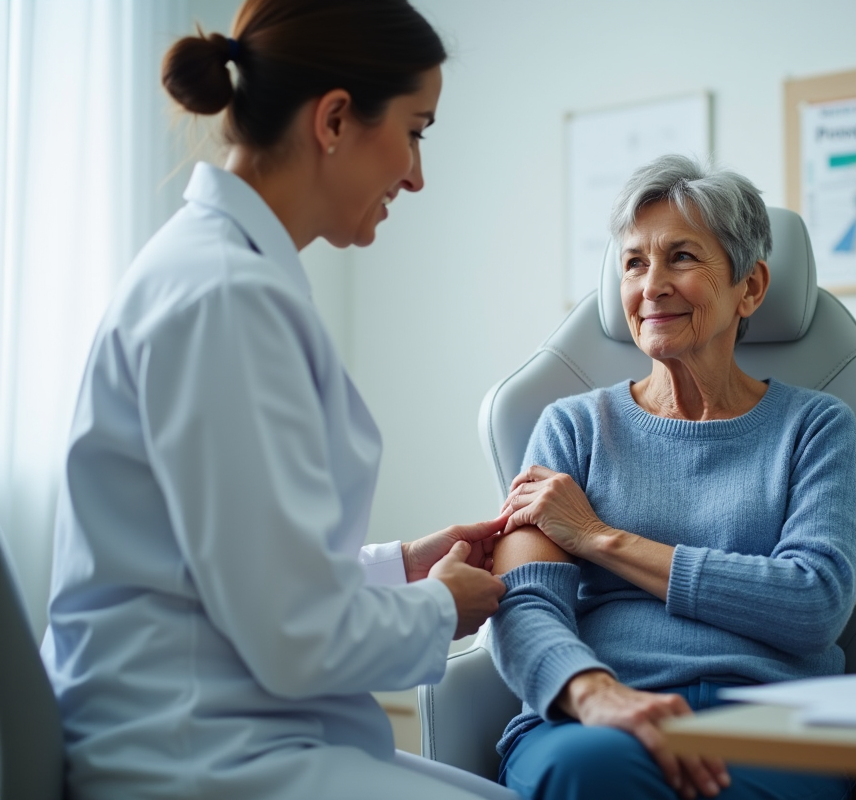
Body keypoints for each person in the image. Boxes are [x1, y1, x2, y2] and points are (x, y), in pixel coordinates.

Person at [38, 2, 516, 798]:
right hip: (194, 753)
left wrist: (403, 569)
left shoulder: (224, 276)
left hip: (230, 724)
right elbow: (293, 633)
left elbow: (239, 575)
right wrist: (438, 607)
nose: (416, 174)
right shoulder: (225, 299)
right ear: (334, 119)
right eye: (416, 129)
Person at [488, 154, 856, 800]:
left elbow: (813, 603)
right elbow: (523, 603)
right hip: (597, 716)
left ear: (750, 287)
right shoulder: (570, 428)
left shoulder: (816, 426)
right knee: (588, 771)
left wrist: (601, 539)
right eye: (634, 262)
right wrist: (595, 694)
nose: (651, 285)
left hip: (765, 719)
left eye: (682, 257)